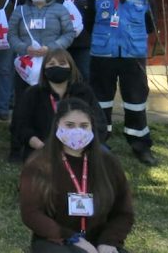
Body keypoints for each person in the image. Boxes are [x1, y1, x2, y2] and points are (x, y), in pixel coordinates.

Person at [19, 98, 134, 253]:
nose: (77, 131)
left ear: (92, 128)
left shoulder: (108, 162)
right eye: (70, 125)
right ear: (57, 126)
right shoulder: (39, 163)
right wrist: (71, 237)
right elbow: (31, 213)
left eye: (84, 126)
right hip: (55, 240)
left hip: (100, 241)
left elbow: (124, 212)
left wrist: (109, 241)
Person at [86, 0, 158, 166]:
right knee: (100, 101)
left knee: (136, 102)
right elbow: (89, 23)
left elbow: (151, 24)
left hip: (132, 56)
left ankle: (140, 146)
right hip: (102, 55)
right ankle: (99, 143)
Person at [8, 0, 74, 162]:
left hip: (52, 66)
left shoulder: (60, 10)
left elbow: (69, 33)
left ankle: (52, 142)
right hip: (26, 68)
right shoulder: (19, 10)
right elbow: (11, 35)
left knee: (48, 105)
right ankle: (16, 147)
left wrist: (51, 48)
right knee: (22, 106)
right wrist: (24, 48)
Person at [13, 48, 108, 161]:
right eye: (51, 64)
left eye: (62, 63)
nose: (57, 66)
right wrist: (39, 145)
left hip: (81, 147)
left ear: (71, 68)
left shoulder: (84, 92)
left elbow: (99, 123)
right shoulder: (32, 94)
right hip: (43, 148)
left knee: (105, 156)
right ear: (44, 69)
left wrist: (85, 144)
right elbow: (20, 126)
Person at [49, 0, 94, 82]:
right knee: (62, 74)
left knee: (84, 74)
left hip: (83, 44)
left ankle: (83, 100)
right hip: (61, 43)